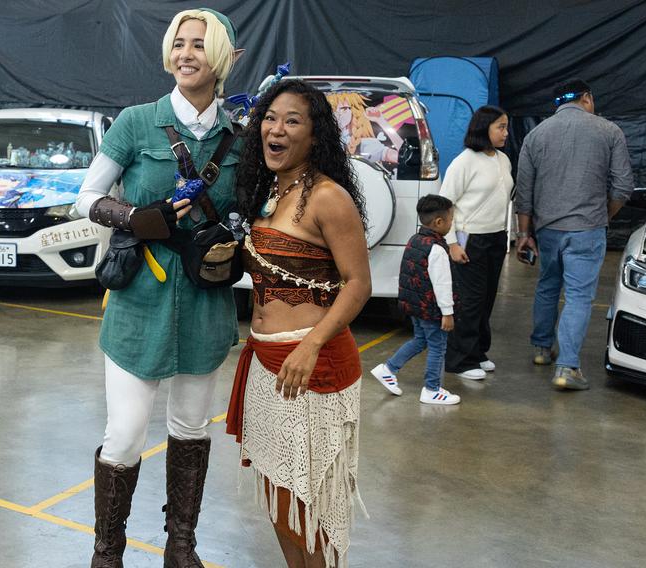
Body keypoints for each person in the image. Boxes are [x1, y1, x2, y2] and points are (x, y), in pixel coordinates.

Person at [71, 9, 242, 567]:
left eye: (198, 45)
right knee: (123, 435)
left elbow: (257, 211)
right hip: (138, 297)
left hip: (206, 297)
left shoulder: (239, 136)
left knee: (191, 428)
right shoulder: (136, 122)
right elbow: (86, 197)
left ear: (220, 58)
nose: (185, 54)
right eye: (178, 44)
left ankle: (181, 544)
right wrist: (134, 217)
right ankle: (107, 550)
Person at [226, 79, 372, 568]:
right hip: (267, 366)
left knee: (311, 511)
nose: (277, 128)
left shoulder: (328, 198)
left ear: (315, 136)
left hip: (311, 369)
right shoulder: (271, 189)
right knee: (282, 505)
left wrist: (310, 345)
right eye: (270, 118)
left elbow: (357, 284)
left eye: (292, 121)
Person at [514, 78, 634, 390]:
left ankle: (542, 349)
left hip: (547, 229)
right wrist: (603, 215)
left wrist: (524, 233)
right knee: (579, 296)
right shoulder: (609, 131)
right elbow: (622, 186)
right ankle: (568, 368)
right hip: (588, 228)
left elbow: (524, 192)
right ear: (587, 98)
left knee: (547, 285)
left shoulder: (536, 134)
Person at [435, 105, 513, 380]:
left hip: (495, 237)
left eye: (506, 126)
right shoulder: (464, 162)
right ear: (484, 129)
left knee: (487, 298)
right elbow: (444, 205)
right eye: (500, 127)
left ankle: (478, 352)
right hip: (470, 239)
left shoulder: (503, 159)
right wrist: (452, 243)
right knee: (469, 300)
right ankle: (460, 360)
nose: (506, 132)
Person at [370, 194, 461, 405]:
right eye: (450, 220)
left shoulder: (415, 239)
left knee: (420, 340)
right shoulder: (437, 249)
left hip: (416, 306)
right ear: (439, 222)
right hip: (431, 309)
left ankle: (388, 369)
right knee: (438, 346)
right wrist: (447, 313)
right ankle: (432, 390)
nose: (451, 224)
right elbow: (442, 284)